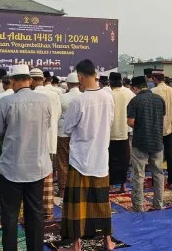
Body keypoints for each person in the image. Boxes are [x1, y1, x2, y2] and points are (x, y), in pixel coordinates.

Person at [0, 65, 51, 251]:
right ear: (29, 80)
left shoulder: (6, 102)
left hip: (12, 167)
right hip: (37, 166)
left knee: (10, 215)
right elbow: (47, 125)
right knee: (35, 213)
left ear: (13, 81)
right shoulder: (44, 100)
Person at [61, 59, 115, 251]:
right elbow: (109, 122)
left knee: (78, 203)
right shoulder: (108, 97)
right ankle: (107, 240)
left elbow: (67, 129)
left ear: (81, 77)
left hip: (80, 159)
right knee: (101, 201)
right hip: (101, 157)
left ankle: (77, 244)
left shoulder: (79, 101)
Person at [127, 76, 165, 212]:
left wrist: (142, 124)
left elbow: (130, 122)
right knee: (158, 173)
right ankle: (158, 203)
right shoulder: (159, 99)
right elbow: (161, 117)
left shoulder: (135, 101)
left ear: (135, 88)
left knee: (138, 174)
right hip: (157, 140)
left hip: (140, 142)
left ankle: (138, 206)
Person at [30, 68, 61, 221]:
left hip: (35, 141)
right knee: (47, 177)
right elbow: (58, 115)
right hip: (50, 140)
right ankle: (48, 212)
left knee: (35, 178)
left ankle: (34, 210)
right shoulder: (54, 94)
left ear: (31, 80)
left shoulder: (32, 96)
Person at [151, 70, 172, 189]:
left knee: (156, 155)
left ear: (154, 79)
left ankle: (156, 181)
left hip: (156, 127)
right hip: (171, 126)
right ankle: (171, 180)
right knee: (170, 155)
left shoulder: (153, 91)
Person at [57, 72, 81, 198]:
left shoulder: (62, 97)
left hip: (63, 134)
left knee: (63, 162)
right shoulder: (83, 97)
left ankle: (62, 189)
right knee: (77, 161)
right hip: (78, 135)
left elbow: (57, 115)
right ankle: (76, 187)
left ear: (69, 84)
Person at [109, 72, 134, 193]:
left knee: (110, 160)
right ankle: (123, 185)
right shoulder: (129, 93)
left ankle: (110, 185)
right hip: (125, 131)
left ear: (110, 82)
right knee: (124, 160)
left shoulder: (108, 94)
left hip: (110, 132)